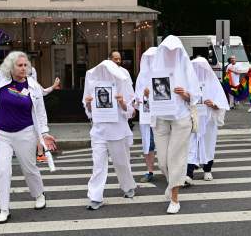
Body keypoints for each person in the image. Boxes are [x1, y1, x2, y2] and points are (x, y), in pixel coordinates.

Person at [0, 30, 57, 224]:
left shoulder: (33, 87)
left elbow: (40, 113)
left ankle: (39, 194)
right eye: (19, 65)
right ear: (11, 67)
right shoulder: (0, 78)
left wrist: (45, 134)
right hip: (2, 135)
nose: (23, 68)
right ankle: (4, 208)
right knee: (2, 170)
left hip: (26, 134)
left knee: (29, 168)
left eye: (25, 65)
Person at [149, 35, 201, 214]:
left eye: (174, 51)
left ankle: (174, 199)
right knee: (163, 161)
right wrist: (148, 93)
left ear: (179, 52)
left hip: (181, 117)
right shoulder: (155, 68)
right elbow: (146, 95)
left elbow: (195, 96)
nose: (170, 54)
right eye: (167, 51)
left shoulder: (186, 67)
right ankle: (171, 184)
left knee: (176, 159)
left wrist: (185, 94)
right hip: (161, 117)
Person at [83, 59, 137, 210]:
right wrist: (88, 103)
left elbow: (131, 112)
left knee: (122, 163)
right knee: (98, 165)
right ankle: (95, 197)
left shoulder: (123, 82)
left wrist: (122, 103)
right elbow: (89, 112)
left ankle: (128, 187)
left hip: (118, 131)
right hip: (99, 131)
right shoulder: (93, 82)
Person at [185, 57, 229, 185]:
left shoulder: (213, 82)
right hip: (193, 118)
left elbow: (222, 103)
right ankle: (189, 173)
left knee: (209, 144)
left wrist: (214, 104)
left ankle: (207, 170)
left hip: (208, 120)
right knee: (191, 145)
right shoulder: (189, 82)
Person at [135, 47, 157, 182]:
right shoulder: (141, 76)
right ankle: (150, 171)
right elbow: (137, 99)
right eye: (149, 59)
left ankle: (169, 171)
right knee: (148, 144)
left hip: (163, 115)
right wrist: (145, 97)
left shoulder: (166, 73)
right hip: (147, 116)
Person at [29, 68, 61, 162]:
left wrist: (54, 86)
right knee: (37, 135)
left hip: (39, 116)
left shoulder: (35, 85)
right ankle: (38, 155)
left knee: (38, 135)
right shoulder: (26, 87)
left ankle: (39, 154)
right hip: (34, 117)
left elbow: (44, 92)